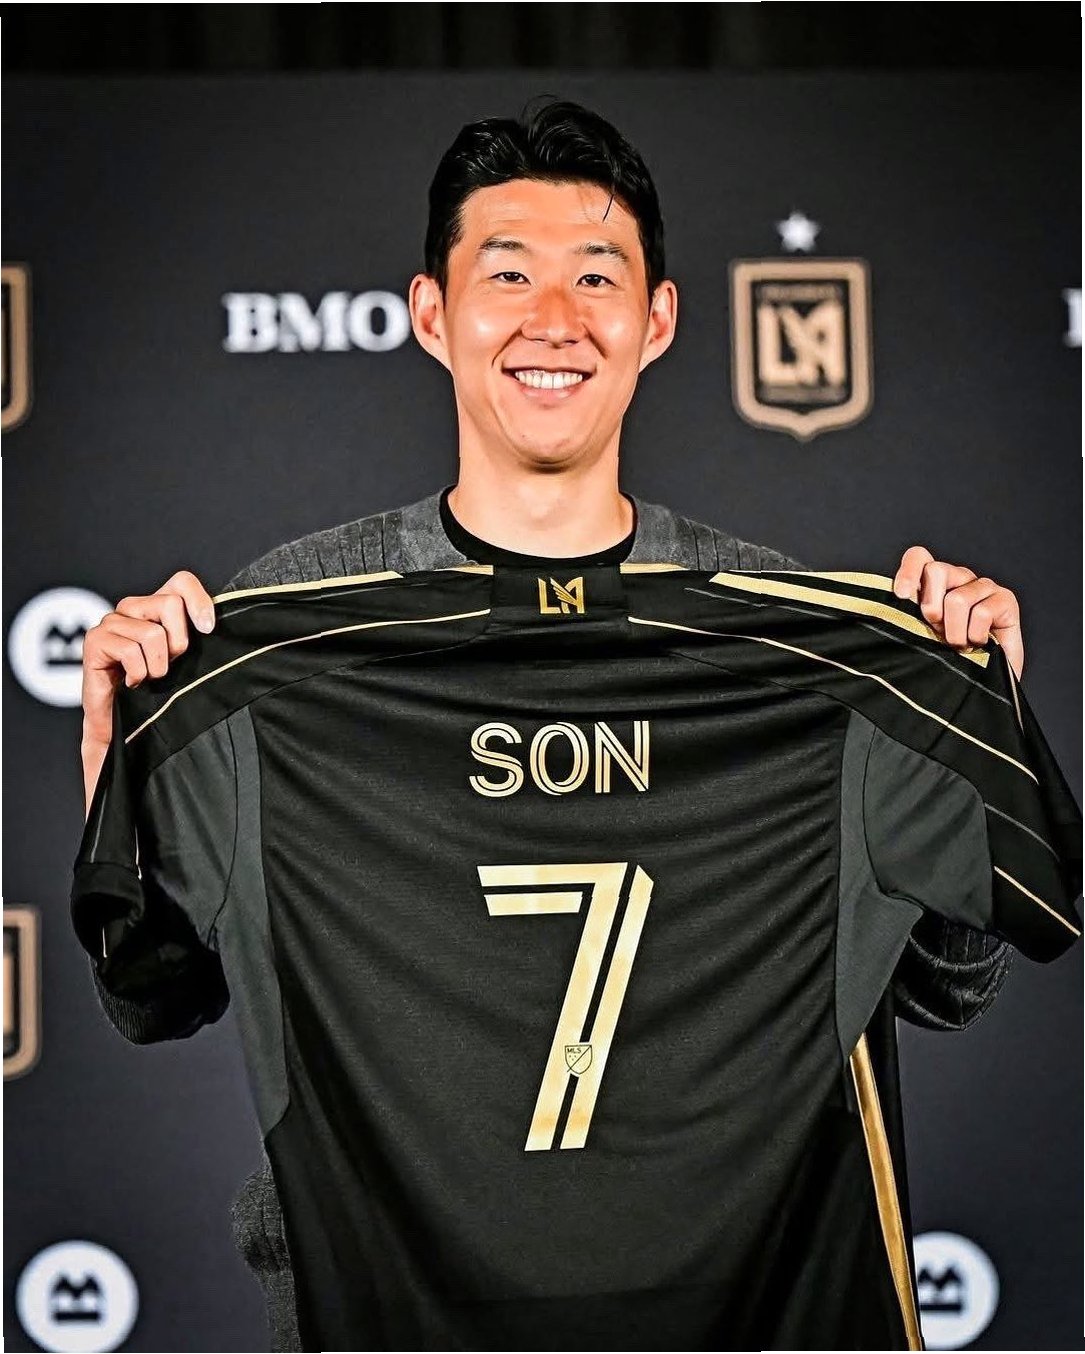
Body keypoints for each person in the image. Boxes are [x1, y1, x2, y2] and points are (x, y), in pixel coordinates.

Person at [80, 102, 1031, 1350]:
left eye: (594, 276)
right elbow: (158, 995)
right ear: (431, 315)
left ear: (657, 320)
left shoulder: (792, 648)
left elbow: (947, 985)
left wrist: (968, 730)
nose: (552, 319)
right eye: (506, 274)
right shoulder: (280, 640)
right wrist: (118, 776)